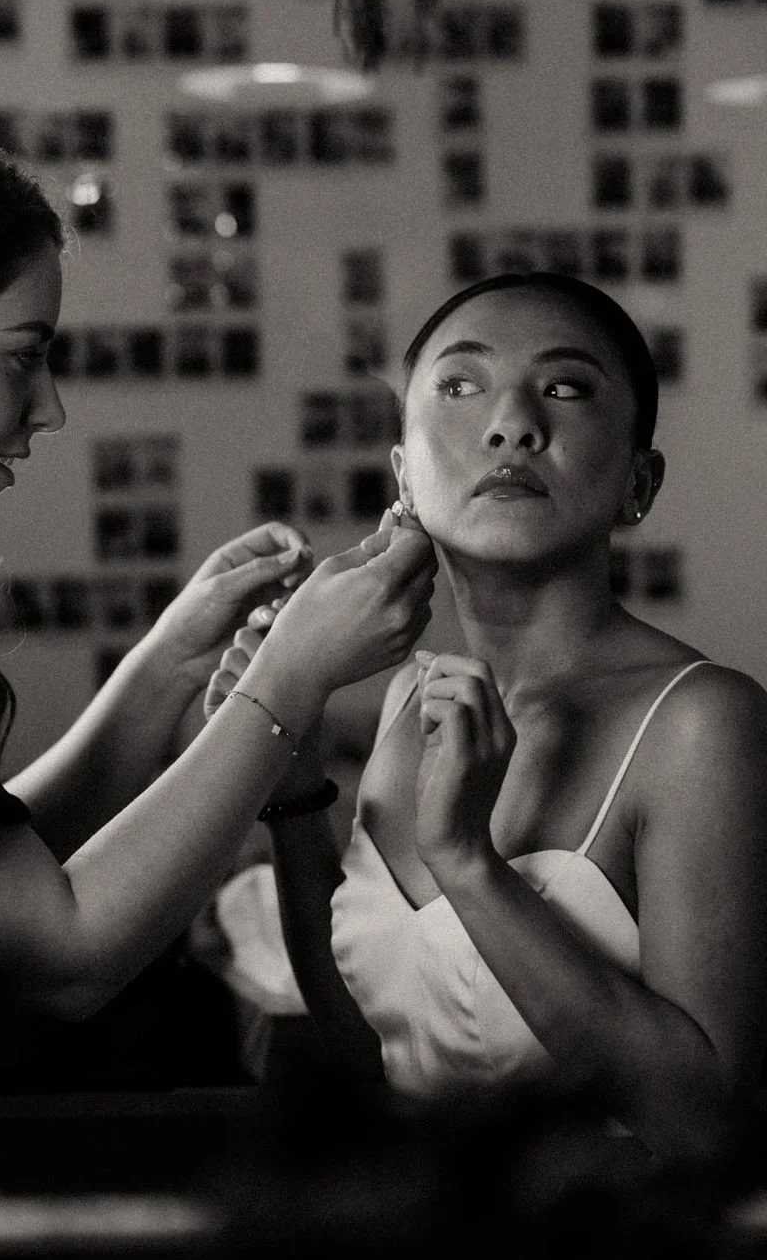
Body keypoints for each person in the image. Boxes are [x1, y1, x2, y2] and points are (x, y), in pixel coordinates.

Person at [0, 125, 437, 1201]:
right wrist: (289, 675)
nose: (49, 405)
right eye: (22, 354)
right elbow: (62, 951)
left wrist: (164, 667)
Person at [207, 272, 767, 1163]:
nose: (512, 425)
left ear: (638, 481)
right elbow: (380, 1052)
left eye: (565, 387)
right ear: (403, 475)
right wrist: (294, 794)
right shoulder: (410, 698)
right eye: (461, 386)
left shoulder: (703, 725)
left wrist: (468, 862)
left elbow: (701, 1125)